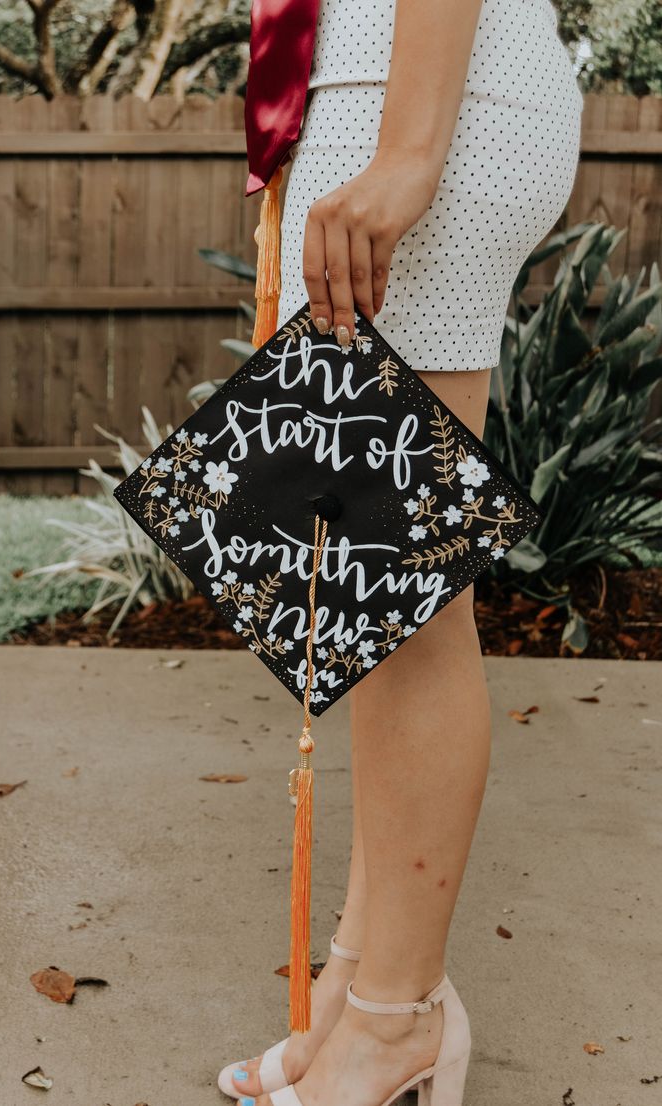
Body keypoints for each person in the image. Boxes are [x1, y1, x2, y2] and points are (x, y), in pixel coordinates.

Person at [219, 0, 583, 1103]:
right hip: (388, 95)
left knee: (404, 599)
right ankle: (359, 990)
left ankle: (397, 1019)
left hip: (419, 104)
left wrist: (410, 150)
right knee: (378, 600)